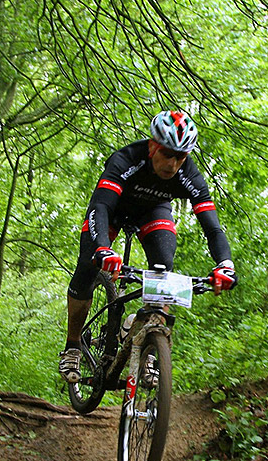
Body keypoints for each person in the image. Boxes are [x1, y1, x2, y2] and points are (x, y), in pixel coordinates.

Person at [59, 110, 238, 383]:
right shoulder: (126, 159)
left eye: (181, 157)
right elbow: (101, 205)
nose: (173, 163)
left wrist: (225, 264)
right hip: (113, 209)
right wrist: (104, 249)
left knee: (163, 268)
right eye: (167, 153)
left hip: (153, 211)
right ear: (153, 146)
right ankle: (73, 345)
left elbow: (212, 227)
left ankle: (150, 346)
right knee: (87, 264)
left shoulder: (189, 174)